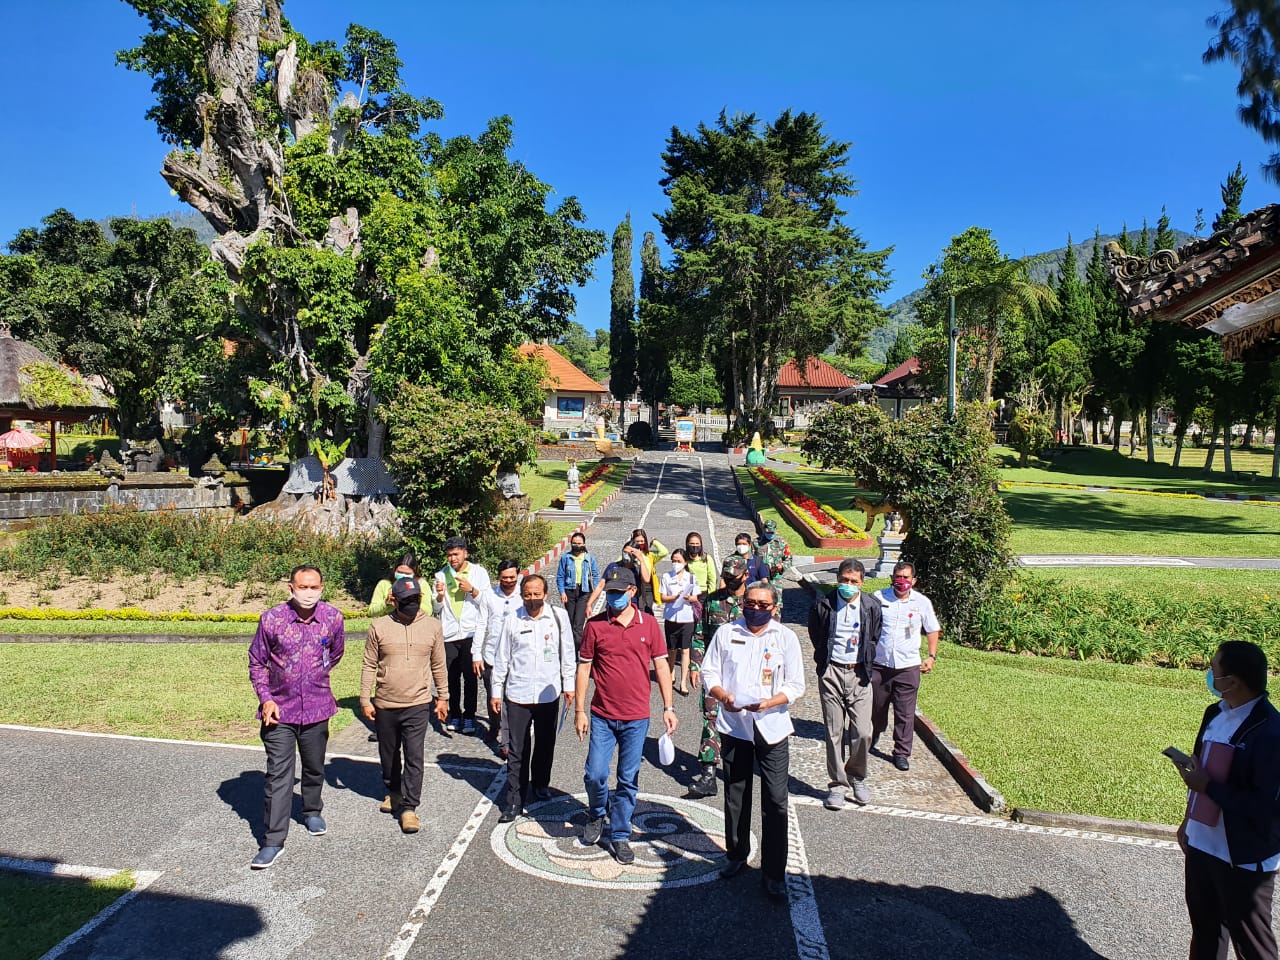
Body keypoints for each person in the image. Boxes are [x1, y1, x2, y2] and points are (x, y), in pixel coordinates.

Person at [700, 579, 805, 902]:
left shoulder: (785, 637)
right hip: (735, 726)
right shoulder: (727, 633)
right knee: (736, 793)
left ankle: (774, 873)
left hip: (772, 726)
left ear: (774, 607)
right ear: (743, 604)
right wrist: (722, 696)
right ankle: (736, 854)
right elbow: (709, 672)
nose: (756, 609)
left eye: (763, 605)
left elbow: (796, 685)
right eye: (751, 603)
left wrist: (769, 703)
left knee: (775, 799)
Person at [1177, 640, 1280, 960]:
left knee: (1253, 945)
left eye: (1213, 670)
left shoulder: (1272, 734)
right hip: (1201, 844)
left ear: (1233, 681)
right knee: (1205, 932)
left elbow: (1265, 807)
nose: (1209, 675)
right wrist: (1187, 821)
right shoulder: (1214, 713)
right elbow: (1200, 769)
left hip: (1242, 858)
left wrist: (1208, 787)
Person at [575, 566, 679, 865]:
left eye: (619, 592)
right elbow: (584, 667)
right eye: (610, 593)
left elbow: (661, 666)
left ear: (632, 591)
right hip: (602, 715)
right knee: (595, 774)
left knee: (627, 778)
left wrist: (668, 707)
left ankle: (620, 834)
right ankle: (597, 813)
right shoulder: (596, 626)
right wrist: (579, 710)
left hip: (636, 717)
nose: (613, 598)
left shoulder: (649, 624)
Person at [247, 565, 345, 869]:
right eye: (303, 587)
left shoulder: (333, 618)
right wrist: (266, 698)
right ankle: (273, 841)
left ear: (322, 588)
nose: (308, 593)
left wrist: (314, 678)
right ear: (291, 588)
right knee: (279, 775)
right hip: (279, 711)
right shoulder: (272, 619)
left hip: (318, 708)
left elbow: (335, 654)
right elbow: (257, 662)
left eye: (314, 587)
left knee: (314, 766)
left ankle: (312, 809)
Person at [360, 576, 448, 834]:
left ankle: (409, 807)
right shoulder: (379, 626)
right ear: (394, 600)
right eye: (406, 600)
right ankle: (394, 791)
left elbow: (438, 664)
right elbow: (369, 664)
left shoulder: (432, 626)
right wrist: (365, 699)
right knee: (388, 755)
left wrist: (443, 696)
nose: (411, 604)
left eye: (415, 599)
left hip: (418, 703)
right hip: (386, 703)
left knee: (414, 755)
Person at [490, 574, 576, 822]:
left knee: (545, 744)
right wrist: (496, 691)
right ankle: (514, 800)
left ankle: (540, 784)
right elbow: (501, 658)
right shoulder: (512, 619)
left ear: (545, 594)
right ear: (521, 595)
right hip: (518, 694)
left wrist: (569, 686)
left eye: (537, 594)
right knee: (517, 750)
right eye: (527, 594)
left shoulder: (558, 618)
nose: (532, 599)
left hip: (549, 693)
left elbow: (568, 653)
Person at [808, 559, 883, 809]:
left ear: (861, 582)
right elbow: (816, 634)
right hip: (831, 671)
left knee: (863, 731)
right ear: (838, 579)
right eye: (844, 580)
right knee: (834, 731)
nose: (848, 585)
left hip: (859, 673)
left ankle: (857, 776)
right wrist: (825, 663)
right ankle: (838, 785)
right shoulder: (824, 604)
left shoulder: (871, 606)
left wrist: (864, 660)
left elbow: (874, 636)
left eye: (853, 581)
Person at [688, 554, 750, 798]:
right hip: (716, 673)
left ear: (745, 575)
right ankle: (708, 775)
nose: (729, 581)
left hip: (745, 674)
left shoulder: (754, 603)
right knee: (711, 720)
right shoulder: (713, 601)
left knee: (744, 721)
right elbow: (700, 635)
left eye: (733, 577)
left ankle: (742, 769)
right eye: (726, 577)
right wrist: (695, 665)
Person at [870, 561, 941, 771]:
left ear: (914, 580)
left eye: (906, 577)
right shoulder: (878, 598)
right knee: (876, 707)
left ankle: (901, 752)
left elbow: (932, 629)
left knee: (905, 713)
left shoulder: (922, 602)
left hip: (908, 666)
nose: (902, 581)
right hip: (879, 665)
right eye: (898, 577)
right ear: (892, 578)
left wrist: (931, 656)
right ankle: (874, 732)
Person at [432, 536, 490, 734]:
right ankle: (455, 714)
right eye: (449, 555)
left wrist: (472, 590)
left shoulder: (479, 573)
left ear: (465, 553)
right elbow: (436, 608)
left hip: (471, 632)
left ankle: (470, 716)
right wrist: (440, 596)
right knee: (452, 677)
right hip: (449, 634)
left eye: (456, 554)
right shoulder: (441, 575)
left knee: (470, 677)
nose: (453, 559)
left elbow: (487, 602)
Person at [477, 559, 522, 756]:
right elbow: (481, 625)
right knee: (493, 696)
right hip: (491, 656)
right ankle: (494, 726)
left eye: (512, 577)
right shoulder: (489, 596)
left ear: (518, 575)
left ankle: (507, 740)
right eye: (504, 578)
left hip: (516, 657)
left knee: (510, 700)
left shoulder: (524, 595)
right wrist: (476, 654)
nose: (509, 581)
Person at [588, 528, 668, 615]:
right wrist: (589, 603)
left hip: (632, 606)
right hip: (612, 606)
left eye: (630, 553)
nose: (626, 555)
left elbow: (646, 579)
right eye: (624, 552)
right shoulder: (613, 566)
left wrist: (641, 559)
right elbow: (600, 586)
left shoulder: (637, 568)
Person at [659, 549, 699, 696]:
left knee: (685, 650)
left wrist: (688, 598)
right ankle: (670, 674)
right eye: (674, 561)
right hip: (671, 617)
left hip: (686, 618)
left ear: (685, 562)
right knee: (671, 649)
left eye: (679, 561)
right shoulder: (666, 576)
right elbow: (663, 597)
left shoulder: (691, 578)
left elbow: (696, 597)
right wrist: (674, 597)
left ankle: (683, 682)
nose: (676, 564)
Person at [556, 532, 599, 649]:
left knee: (578, 623)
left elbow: (595, 575)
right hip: (569, 591)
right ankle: (570, 647)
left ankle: (578, 649)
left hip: (584, 592)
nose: (577, 545)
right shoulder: (566, 558)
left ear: (584, 544)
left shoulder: (589, 558)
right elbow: (560, 576)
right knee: (570, 620)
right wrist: (562, 592)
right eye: (574, 543)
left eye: (579, 543)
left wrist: (595, 592)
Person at [756, 520, 793, 617]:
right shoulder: (756, 543)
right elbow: (751, 559)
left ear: (775, 530)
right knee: (760, 603)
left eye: (772, 532)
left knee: (776, 605)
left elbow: (789, 559)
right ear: (764, 529)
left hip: (775, 579)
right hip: (760, 579)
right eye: (768, 532)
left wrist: (782, 566)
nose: (770, 534)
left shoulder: (782, 543)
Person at [368, 551, 419, 618]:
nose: (403, 576)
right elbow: (371, 612)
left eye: (407, 573)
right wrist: (386, 603)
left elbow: (427, 611)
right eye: (400, 572)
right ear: (394, 570)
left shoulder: (421, 584)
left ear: (414, 573)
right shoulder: (384, 584)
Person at [684, 531, 714, 600]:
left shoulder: (707, 558)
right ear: (687, 544)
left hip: (702, 594)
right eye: (692, 544)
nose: (695, 546)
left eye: (697, 543)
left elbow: (712, 579)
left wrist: (711, 597)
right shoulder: (684, 558)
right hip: (687, 593)